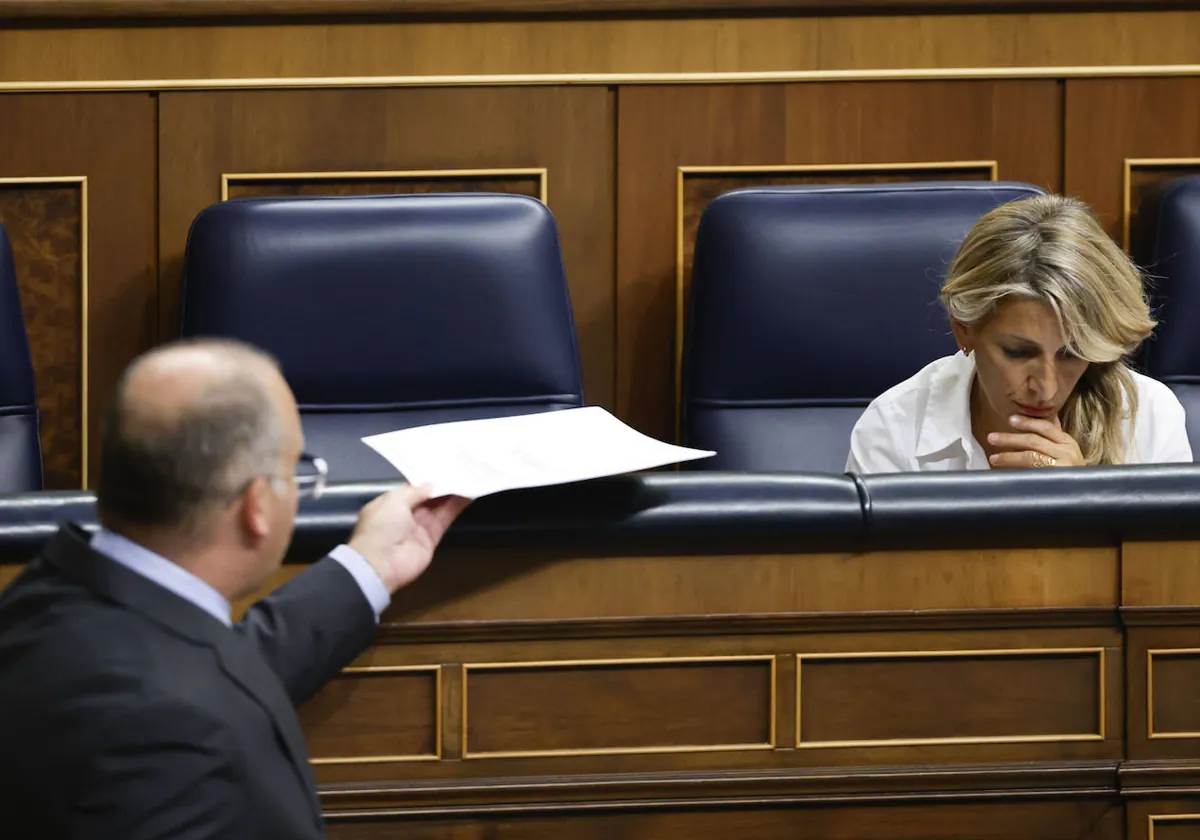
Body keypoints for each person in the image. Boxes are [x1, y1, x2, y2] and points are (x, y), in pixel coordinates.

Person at [0, 339, 469, 839]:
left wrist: (370, 565)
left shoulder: (44, 599)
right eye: (297, 471)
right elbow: (181, 704)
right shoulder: (180, 741)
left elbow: (200, 667)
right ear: (257, 506)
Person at [846, 193, 1192, 473]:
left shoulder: (1148, 417)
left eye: (1071, 354)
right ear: (964, 330)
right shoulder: (893, 431)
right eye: (1018, 352)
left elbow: (1164, 562)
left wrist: (1084, 501)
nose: (1046, 388)